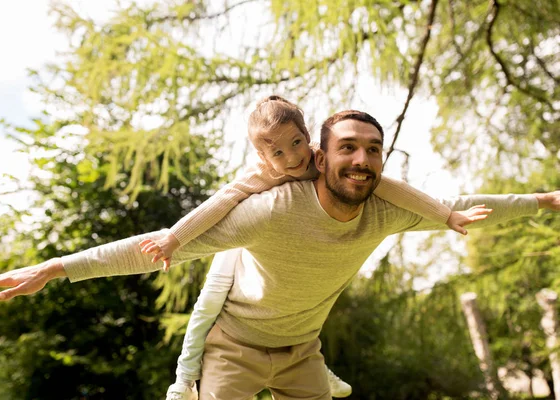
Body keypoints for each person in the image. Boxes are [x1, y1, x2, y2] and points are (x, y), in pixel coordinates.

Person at [0, 109, 560, 399]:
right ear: (319, 158)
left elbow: (464, 202)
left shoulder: (386, 208)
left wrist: (543, 200)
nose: (361, 160)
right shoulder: (273, 209)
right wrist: (56, 268)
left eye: (373, 151)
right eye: (348, 148)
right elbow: (161, 249)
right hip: (235, 349)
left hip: (303, 353)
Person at [137, 96, 489, 400]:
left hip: (281, 252)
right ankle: (183, 382)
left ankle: (315, 369)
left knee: (305, 297)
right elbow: (217, 204)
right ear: (262, 155)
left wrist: (445, 216)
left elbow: (393, 188)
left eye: (296, 143)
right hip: (243, 246)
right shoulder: (261, 176)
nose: (291, 157)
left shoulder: (322, 160)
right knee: (207, 307)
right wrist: (174, 238)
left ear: (307, 138)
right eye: (277, 152)